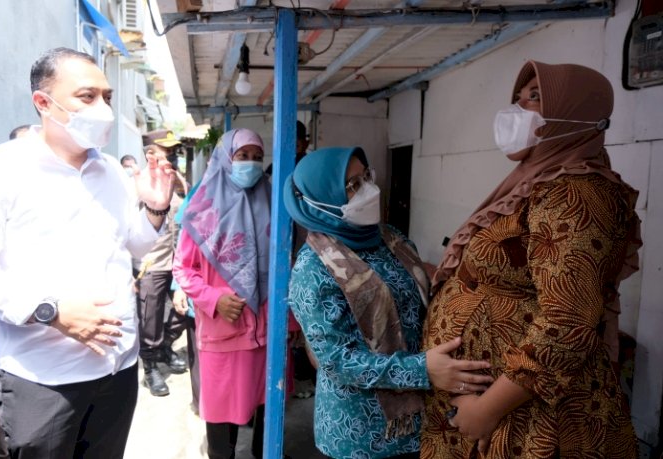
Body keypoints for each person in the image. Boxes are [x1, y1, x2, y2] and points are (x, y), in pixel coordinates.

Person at [0, 47, 174, 458]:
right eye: (87, 97)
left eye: (107, 97)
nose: (102, 109)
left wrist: (155, 209)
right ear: (43, 103)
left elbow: (135, 246)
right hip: (44, 379)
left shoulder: (112, 172)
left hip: (117, 369)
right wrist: (50, 310)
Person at [419, 61, 641, 458]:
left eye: (535, 99)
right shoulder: (534, 182)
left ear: (576, 113)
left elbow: (567, 323)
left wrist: (487, 409)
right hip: (493, 404)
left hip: (529, 415)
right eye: (518, 99)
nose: (517, 112)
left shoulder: (577, 194)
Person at [283, 146, 493, 459]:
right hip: (360, 434)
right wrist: (422, 370)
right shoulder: (313, 268)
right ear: (322, 201)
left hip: (421, 415)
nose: (368, 190)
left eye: (365, 177)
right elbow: (337, 361)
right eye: (352, 185)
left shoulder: (388, 237)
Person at [173, 128, 272, 459]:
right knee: (221, 412)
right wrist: (214, 300)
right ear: (225, 159)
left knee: (266, 405)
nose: (251, 164)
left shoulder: (272, 202)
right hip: (223, 331)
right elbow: (183, 269)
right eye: (242, 156)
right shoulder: (202, 209)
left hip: (265, 328)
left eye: (257, 157)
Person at [135, 129, 189, 397]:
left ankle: (166, 345)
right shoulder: (139, 182)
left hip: (179, 260)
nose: (173, 155)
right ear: (150, 154)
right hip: (152, 262)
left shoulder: (178, 179)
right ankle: (151, 365)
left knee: (183, 310)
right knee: (150, 318)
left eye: (173, 150)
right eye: (166, 150)